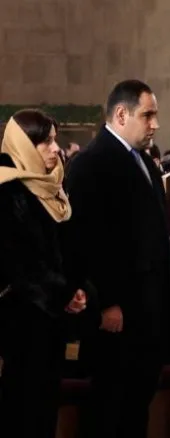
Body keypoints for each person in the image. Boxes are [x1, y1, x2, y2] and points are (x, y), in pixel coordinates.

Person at [66, 80, 170, 438]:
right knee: (109, 406)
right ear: (120, 114)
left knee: (137, 404)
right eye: (147, 115)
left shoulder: (143, 160)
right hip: (118, 312)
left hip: (148, 309)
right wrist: (106, 303)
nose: (155, 124)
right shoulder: (91, 163)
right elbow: (87, 242)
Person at [0, 110, 87, 438]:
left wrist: (78, 288)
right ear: (23, 145)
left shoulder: (53, 187)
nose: (56, 148)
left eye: (55, 139)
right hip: (21, 321)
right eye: (45, 142)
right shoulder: (7, 190)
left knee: (46, 405)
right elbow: (18, 261)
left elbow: (69, 249)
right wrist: (64, 293)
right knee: (23, 406)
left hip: (52, 319)